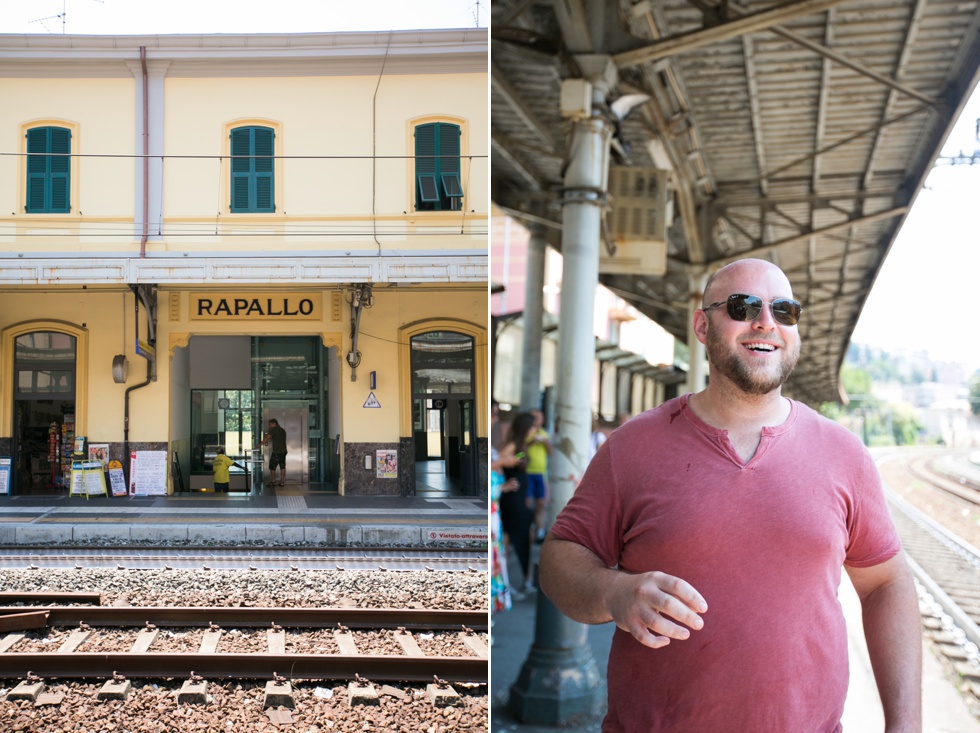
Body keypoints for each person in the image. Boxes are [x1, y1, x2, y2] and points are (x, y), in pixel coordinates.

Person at [540, 258, 921, 732]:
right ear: (702, 325)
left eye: (784, 310)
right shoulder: (632, 447)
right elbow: (559, 558)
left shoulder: (844, 454)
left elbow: (887, 583)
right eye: (743, 306)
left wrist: (905, 726)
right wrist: (612, 592)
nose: (766, 322)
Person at [497, 411, 537, 595]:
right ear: (525, 428)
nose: (535, 430)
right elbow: (495, 462)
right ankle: (508, 583)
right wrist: (502, 485)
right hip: (512, 500)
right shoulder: (512, 445)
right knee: (509, 538)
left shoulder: (522, 446)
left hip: (519, 498)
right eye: (533, 426)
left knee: (517, 537)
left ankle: (522, 580)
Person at [525, 408, 552, 542]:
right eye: (534, 417)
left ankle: (540, 531)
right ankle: (528, 530)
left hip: (541, 473)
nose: (537, 420)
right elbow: (518, 452)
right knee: (527, 502)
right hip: (527, 472)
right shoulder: (526, 433)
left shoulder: (545, 434)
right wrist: (531, 442)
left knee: (541, 503)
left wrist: (545, 442)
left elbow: (550, 452)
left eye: (539, 417)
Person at [261, 418, 288, 487]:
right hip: (283, 451)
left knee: (272, 467)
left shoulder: (273, 430)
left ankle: (273, 481)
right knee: (282, 466)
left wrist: (260, 444)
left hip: (276, 451)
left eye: (270, 424)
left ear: (274, 424)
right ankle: (282, 482)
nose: (269, 426)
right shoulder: (282, 430)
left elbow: (267, 438)